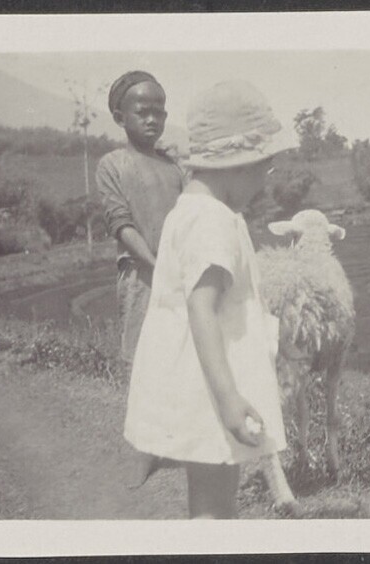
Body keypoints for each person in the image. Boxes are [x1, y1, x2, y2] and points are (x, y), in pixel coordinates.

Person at [123, 80, 288, 519]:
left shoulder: (190, 210)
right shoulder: (212, 221)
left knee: (213, 497)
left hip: (198, 380)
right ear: (238, 165)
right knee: (215, 504)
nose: (265, 182)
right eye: (264, 168)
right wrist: (229, 398)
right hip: (212, 389)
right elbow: (202, 307)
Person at [96, 70, 185, 488]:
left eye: (159, 111)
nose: (152, 119)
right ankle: (143, 453)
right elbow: (120, 223)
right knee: (140, 361)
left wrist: (180, 267)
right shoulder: (112, 164)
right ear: (120, 117)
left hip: (179, 275)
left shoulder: (174, 166)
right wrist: (156, 264)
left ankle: (177, 442)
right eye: (142, 111)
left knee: (181, 356)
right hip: (141, 277)